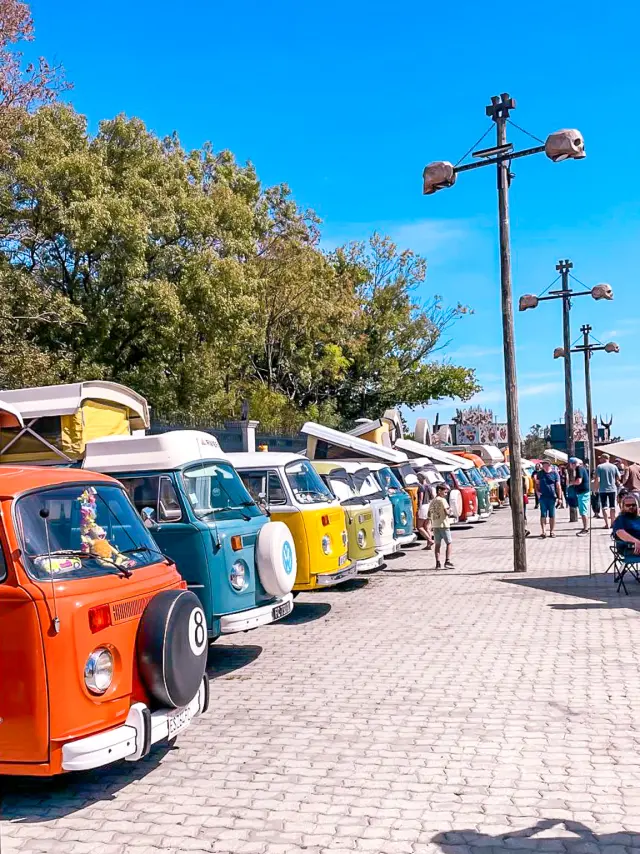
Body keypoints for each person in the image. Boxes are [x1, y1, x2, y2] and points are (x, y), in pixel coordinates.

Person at [427, 482, 454, 569]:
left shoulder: (432, 501)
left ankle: (438, 563)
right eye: (445, 492)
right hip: (444, 525)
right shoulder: (443, 500)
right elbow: (447, 512)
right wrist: (450, 511)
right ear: (439, 491)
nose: (446, 494)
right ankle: (447, 561)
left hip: (435, 525)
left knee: (437, 545)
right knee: (449, 543)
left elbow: (428, 514)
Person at [535, 460, 562, 538]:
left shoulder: (555, 473)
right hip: (543, 497)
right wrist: (537, 492)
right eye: (543, 465)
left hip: (552, 497)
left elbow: (558, 486)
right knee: (543, 514)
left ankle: (552, 531)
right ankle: (544, 531)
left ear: (549, 465)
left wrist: (559, 498)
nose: (544, 466)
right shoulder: (540, 473)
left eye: (546, 465)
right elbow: (536, 483)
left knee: (552, 515)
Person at [596, 453, 621, 530]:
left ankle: (607, 524)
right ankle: (612, 523)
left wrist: (596, 488)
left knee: (604, 507)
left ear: (604, 458)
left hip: (603, 489)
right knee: (612, 506)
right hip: (612, 489)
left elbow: (598, 479)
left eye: (601, 458)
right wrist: (614, 480)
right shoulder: (614, 466)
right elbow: (619, 477)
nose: (600, 460)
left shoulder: (599, 467)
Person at [569, 457, 590, 535]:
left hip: (583, 492)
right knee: (583, 510)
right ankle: (585, 528)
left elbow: (579, 481)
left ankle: (586, 529)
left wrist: (571, 483)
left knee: (583, 511)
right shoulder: (581, 468)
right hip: (583, 492)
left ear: (572, 464)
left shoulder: (579, 469)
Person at [416, 472, 434, 549]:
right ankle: (428, 546)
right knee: (427, 527)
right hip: (428, 505)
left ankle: (429, 540)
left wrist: (419, 508)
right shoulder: (429, 486)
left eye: (418, 477)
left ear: (421, 478)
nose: (417, 479)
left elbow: (420, 498)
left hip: (423, 506)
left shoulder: (421, 487)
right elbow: (432, 497)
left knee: (419, 527)